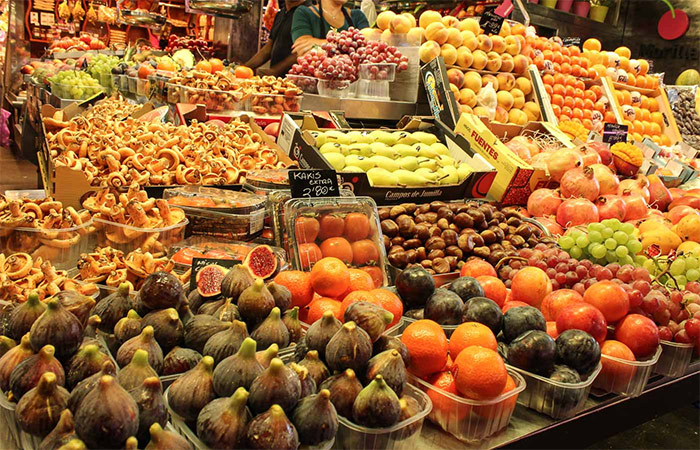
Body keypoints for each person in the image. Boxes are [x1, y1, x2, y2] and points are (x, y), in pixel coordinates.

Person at [244, 0, 306, 76]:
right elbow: (268, 49)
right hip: (275, 82)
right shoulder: (280, 14)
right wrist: (244, 67)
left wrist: (275, 71)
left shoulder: (309, 13)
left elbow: (304, 51)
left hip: (295, 80)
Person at [291, 0, 369, 56]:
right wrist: (350, 46)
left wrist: (320, 44)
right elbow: (303, 49)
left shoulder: (358, 16)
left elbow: (367, 45)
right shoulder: (303, 13)